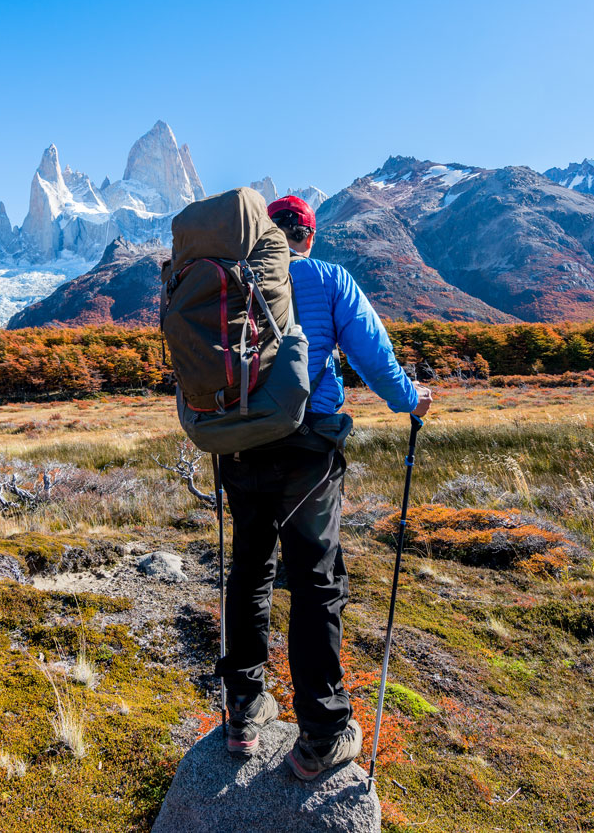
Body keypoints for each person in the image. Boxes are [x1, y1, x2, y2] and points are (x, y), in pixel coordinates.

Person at [218, 193, 433, 779]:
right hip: (308, 450)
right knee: (315, 579)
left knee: (251, 568)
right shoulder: (327, 278)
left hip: (239, 448)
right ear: (308, 236)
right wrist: (412, 401)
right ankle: (323, 732)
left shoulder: (232, 281)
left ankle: (243, 710)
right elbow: (375, 358)